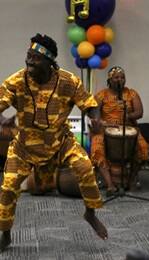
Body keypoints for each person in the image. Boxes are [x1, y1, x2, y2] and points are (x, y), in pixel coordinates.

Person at [0, 33, 108, 252]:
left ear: (49, 62)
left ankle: (90, 213)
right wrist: (2, 118)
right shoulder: (17, 81)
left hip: (59, 142)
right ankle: (6, 233)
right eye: (28, 56)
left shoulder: (68, 81)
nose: (29, 61)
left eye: (35, 58)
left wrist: (95, 117)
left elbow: (89, 103)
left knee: (84, 166)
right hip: (24, 146)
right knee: (8, 187)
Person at [91, 66, 148, 196]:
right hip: (106, 129)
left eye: (122, 77)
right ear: (109, 80)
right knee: (97, 146)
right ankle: (110, 184)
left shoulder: (131, 93)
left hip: (129, 128)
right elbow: (94, 112)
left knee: (143, 147)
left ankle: (131, 179)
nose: (120, 80)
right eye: (116, 77)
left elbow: (139, 112)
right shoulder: (101, 95)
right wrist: (100, 122)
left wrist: (129, 116)